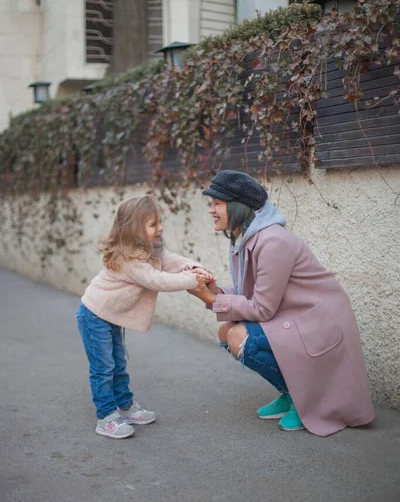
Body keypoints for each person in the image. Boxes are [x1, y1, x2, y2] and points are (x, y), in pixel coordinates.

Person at [188, 170, 374, 437]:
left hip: (316, 323)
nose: (211, 210)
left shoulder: (273, 241)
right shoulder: (248, 239)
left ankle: (306, 399)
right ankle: (291, 392)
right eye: (212, 203)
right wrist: (213, 291)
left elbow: (262, 308)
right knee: (225, 329)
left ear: (238, 206)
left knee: (239, 336)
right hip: (295, 318)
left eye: (217, 203)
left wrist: (211, 300)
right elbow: (250, 294)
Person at [77, 195, 211, 439]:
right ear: (133, 229)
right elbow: (156, 279)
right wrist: (191, 280)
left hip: (111, 315)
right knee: (104, 367)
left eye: (160, 222)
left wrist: (192, 267)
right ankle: (105, 415)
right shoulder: (127, 258)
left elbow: (169, 260)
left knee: (118, 362)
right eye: (153, 224)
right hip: (94, 315)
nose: (160, 228)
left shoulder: (148, 249)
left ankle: (124, 406)